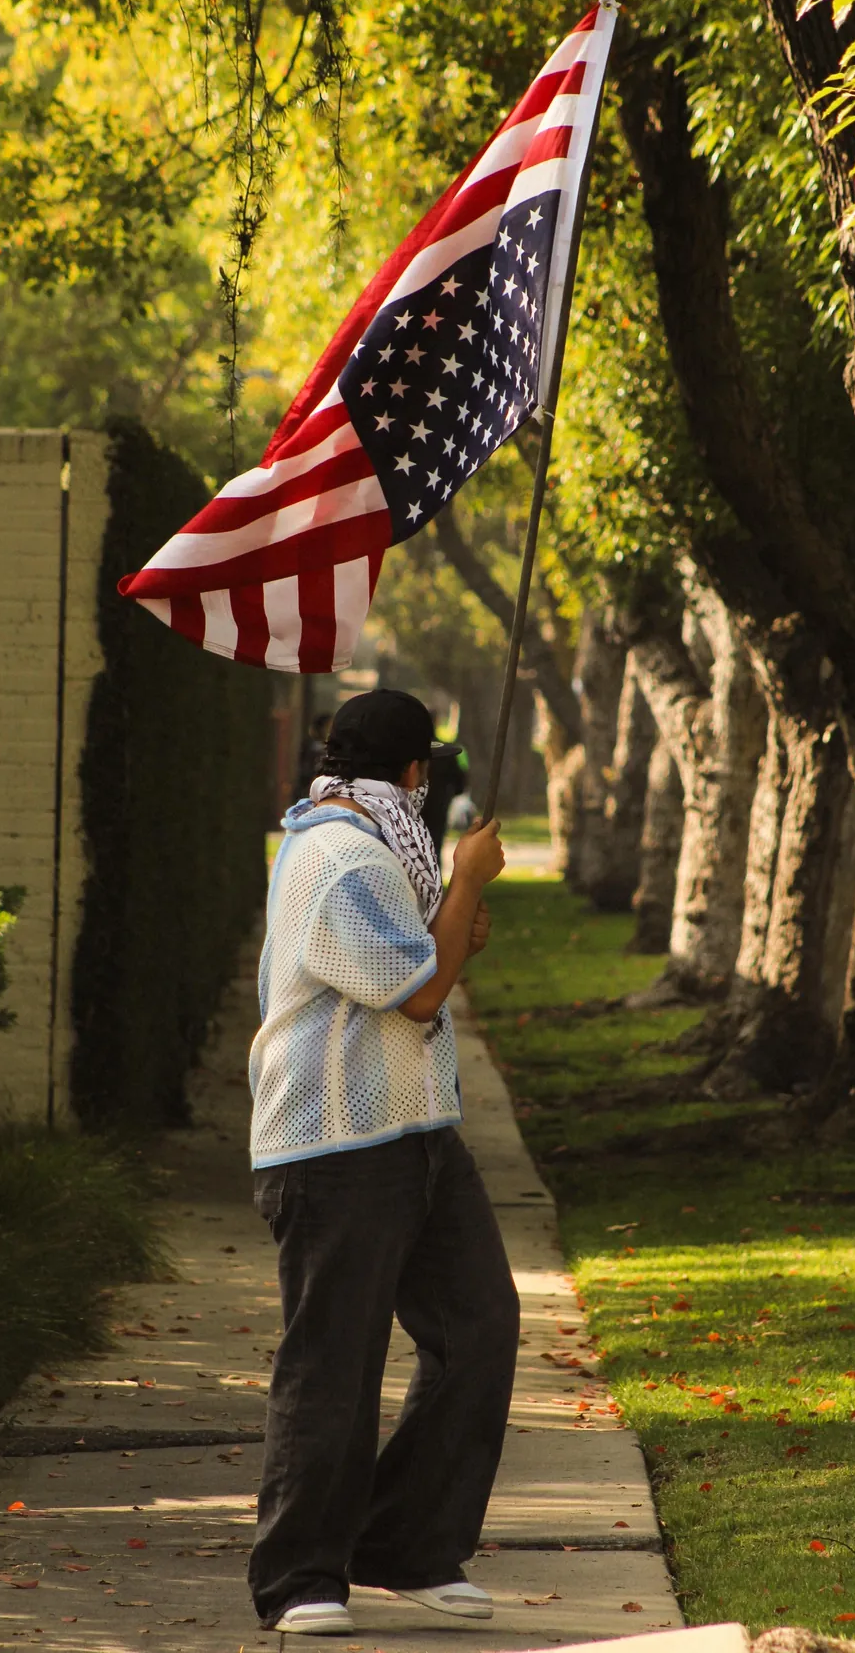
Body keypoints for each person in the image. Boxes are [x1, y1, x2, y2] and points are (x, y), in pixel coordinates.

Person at [247, 688, 517, 1636]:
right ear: (416, 773)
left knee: (479, 1324)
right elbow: (415, 995)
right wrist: (469, 887)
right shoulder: (338, 853)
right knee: (334, 1364)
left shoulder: (376, 841)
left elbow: (427, 972)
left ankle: (404, 1544)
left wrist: (451, 923)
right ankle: (300, 1579)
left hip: (416, 1133)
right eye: (429, 768)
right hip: (334, 1148)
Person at [419, 739, 469, 865]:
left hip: (420, 809)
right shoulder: (445, 754)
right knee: (435, 846)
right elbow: (460, 783)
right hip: (439, 807)